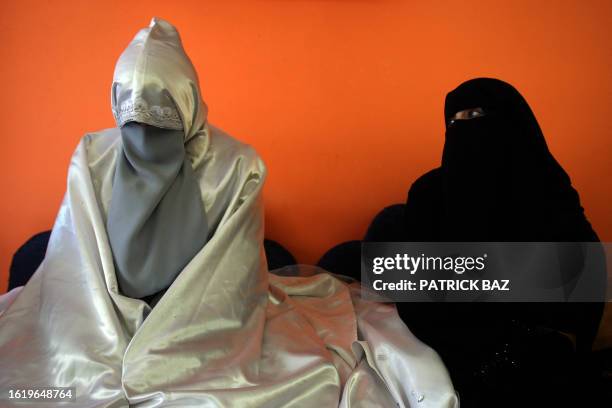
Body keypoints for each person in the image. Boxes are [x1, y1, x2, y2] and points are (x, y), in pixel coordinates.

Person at [0, 18, 457, 407]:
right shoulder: (94, 157)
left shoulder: (237, 167)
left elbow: (226, 287)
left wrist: (160, 357)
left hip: (203, 324)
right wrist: (111, 336)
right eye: (134, 121)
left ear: (188, 103)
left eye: (163, 118)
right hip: (103, 316)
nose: (146, 138)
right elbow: (75, 268)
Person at [398, 78, 605, 406]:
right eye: (455, 119)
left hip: (538, 337)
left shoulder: (547, 187)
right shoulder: (427, 193)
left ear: (514, 120)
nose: (465, 126)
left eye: (477, 113)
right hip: (455, 340)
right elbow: (417, 295)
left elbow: (583, 275)